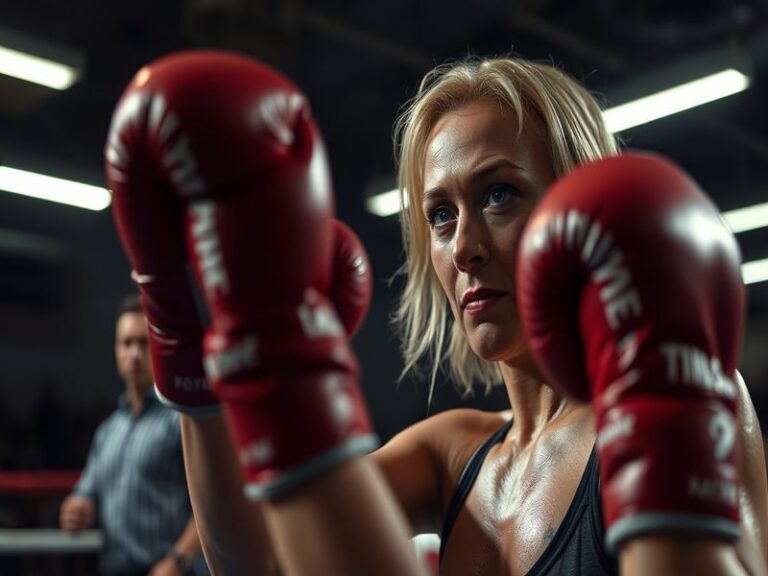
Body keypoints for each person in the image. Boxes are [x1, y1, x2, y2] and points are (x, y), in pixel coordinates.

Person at [105, 50, 768, 576]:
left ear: (580, 202)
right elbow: (254, 561)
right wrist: (192, 357)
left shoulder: (678, 402)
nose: (465, 248)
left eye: (500, 194)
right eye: (441, 216)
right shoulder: (451, 451)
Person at [59, 295, 206, 576]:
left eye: (143, 342)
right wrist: (77, 508)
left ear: (157, 349)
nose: (134, 353)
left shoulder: (181, 421)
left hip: (167, 569)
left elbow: (211, 503)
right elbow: (87, 492)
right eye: (127, 343)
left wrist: (179, 559)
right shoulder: (107, 431)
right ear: (116, 351)